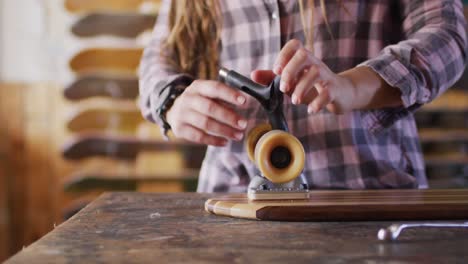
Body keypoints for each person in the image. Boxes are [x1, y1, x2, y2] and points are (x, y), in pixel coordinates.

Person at [139, 0, 467, 192]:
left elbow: (448, 35)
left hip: (368, 198)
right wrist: (172, 102)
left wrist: (351, 87)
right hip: (233, 200)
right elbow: (159, 56)